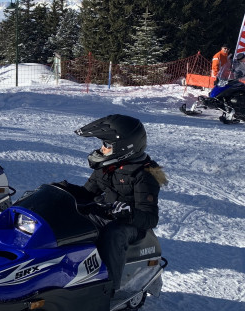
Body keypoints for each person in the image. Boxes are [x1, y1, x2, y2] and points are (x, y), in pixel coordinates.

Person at [53, 114, 167, 295]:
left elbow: (150, 218)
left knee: (114, 234)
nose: (102, 149)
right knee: (70, 219)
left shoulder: (145, 174)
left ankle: (108, 289)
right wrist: (64, 190)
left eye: (107, 146)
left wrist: (128, 213)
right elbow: (88, 193)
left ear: (124, 147)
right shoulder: (108, 166)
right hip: (106, 213)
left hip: (130, 223)